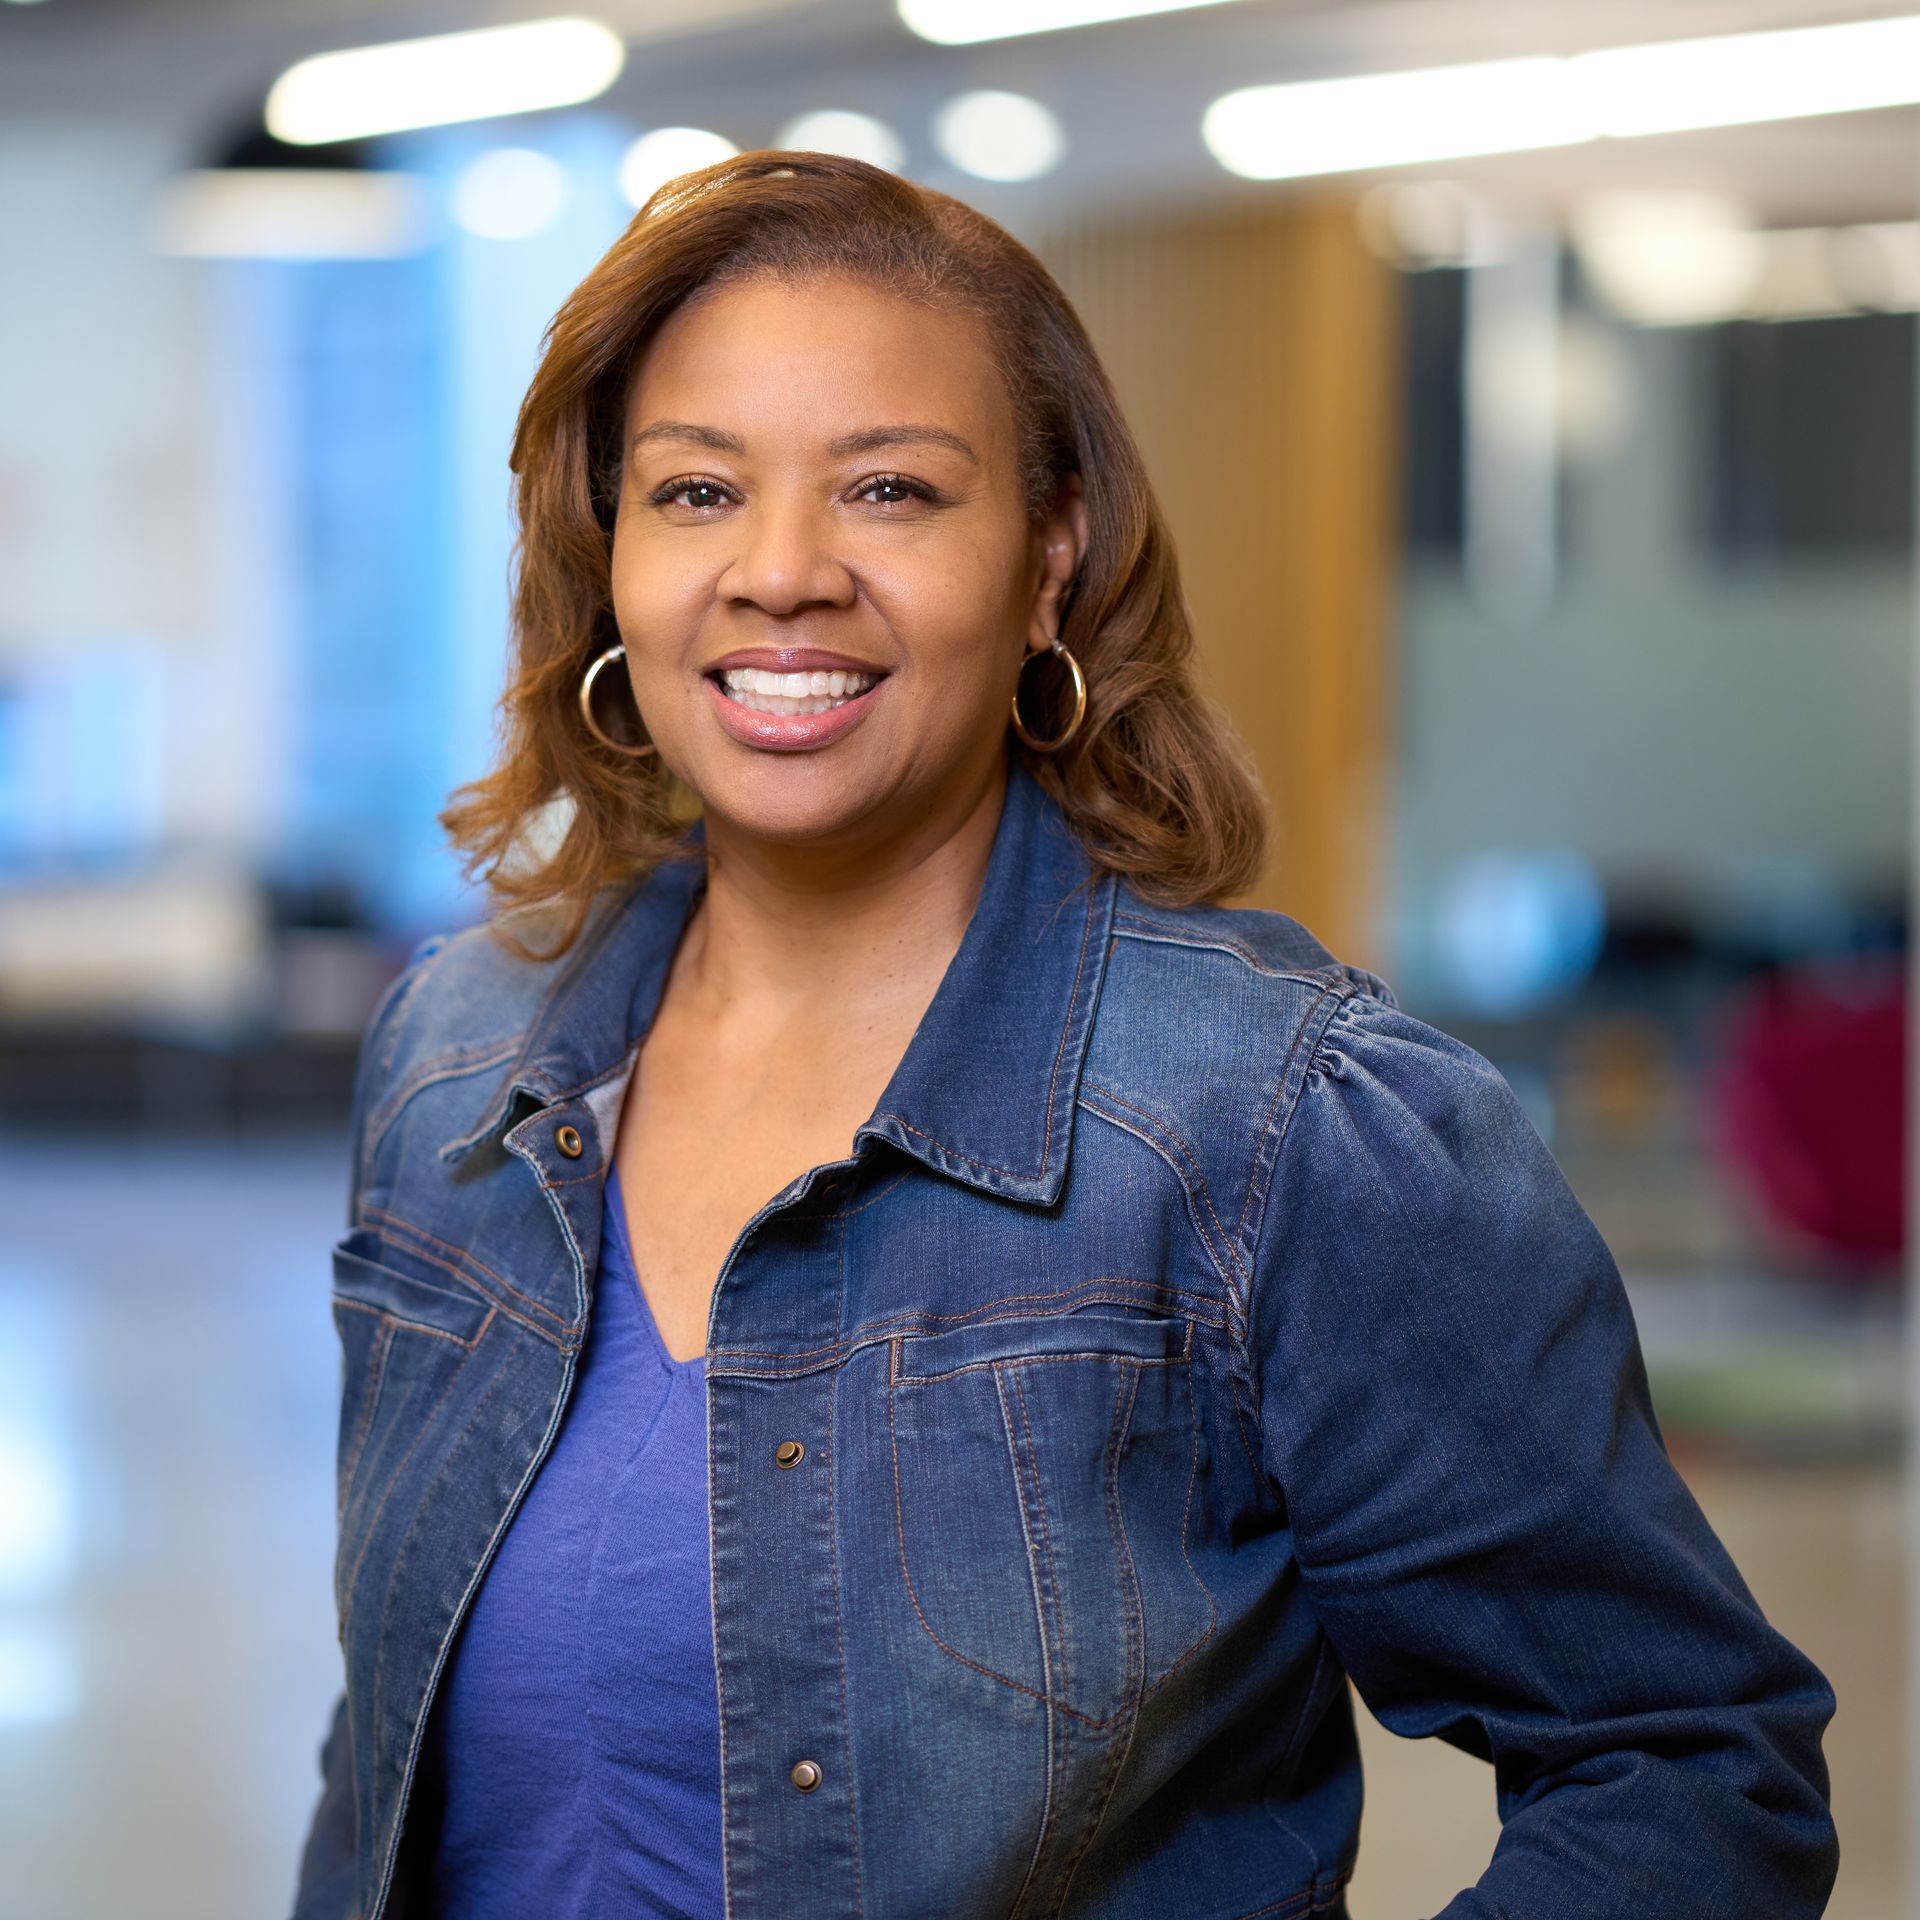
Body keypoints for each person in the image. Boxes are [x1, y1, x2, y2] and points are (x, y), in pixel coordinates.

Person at [291, 151, 1838, 1920]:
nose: (781, 573)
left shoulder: (1277, 1123)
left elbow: (1687, 1758)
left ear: (1049, 556)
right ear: (609, 562)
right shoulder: (458, 1060)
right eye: (697, 490)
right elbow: (386, 1754)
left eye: (890, 488)